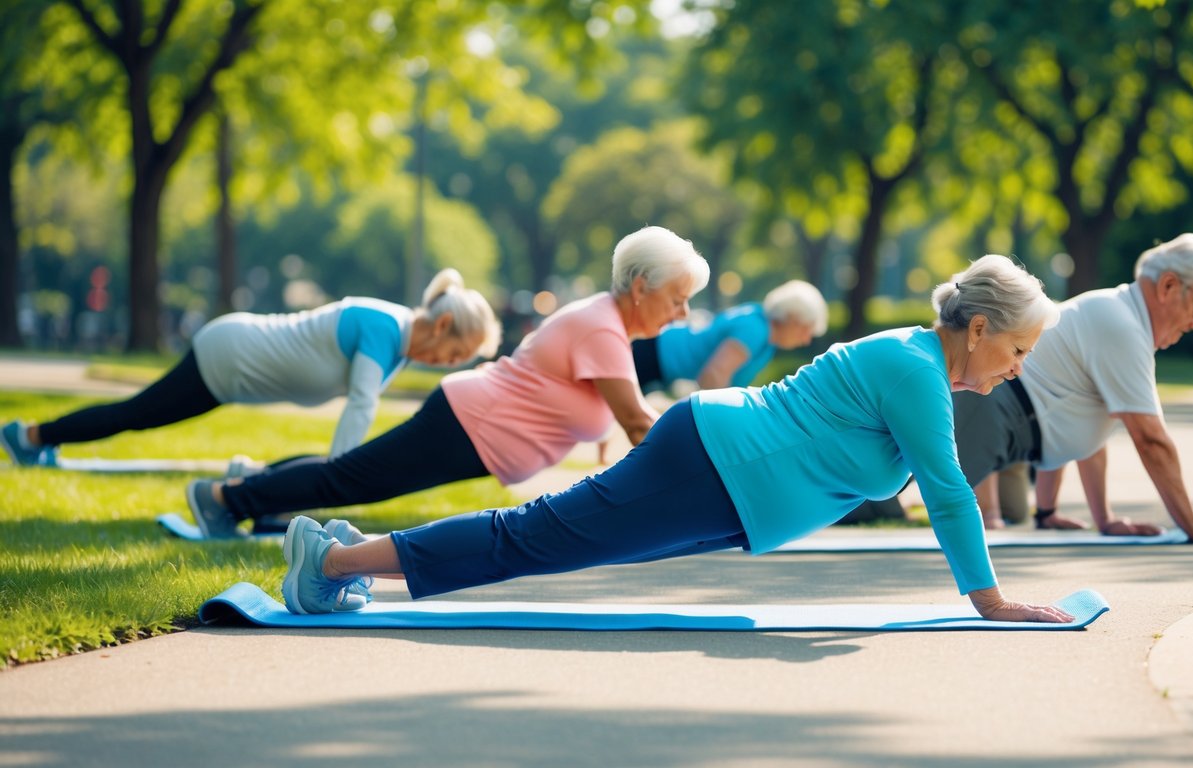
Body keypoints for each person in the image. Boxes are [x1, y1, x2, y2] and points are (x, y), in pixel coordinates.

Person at [276, 254, 1076, 627]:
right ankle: (334, 561)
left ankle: (347, 552)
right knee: (535, 539)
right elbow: (941, 488)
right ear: (976, 330)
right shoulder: (912, 369)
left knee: (547, 541)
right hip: (715, 465)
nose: (1015, 370)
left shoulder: (916, 365)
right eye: (1015, 352)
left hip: (726, 479)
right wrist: (989, 600)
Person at [185, 225, 712, 538]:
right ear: (642, 287)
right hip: (467, 424)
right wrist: (708, 464)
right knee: (346, 481)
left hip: (468, 424)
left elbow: (601, 399)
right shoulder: (602, 327)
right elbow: (641, 425)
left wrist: (599, 433)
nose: (683, 313)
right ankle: (224, 499)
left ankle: (243, 491)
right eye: (677, 299)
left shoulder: (604, 324)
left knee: (347, 477)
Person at [0, 268, 499, 468]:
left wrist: (339, 473)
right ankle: (30, 436)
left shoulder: (399, 347)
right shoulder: (384, 327)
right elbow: (361, 406)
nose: (448, 366)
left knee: (137, 413)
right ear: (443, 326)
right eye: (455, 356)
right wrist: (342, 479)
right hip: (230, 354)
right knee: (135, 414)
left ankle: (35, 439)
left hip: (234, 369)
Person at [945, 233, 1193, 544]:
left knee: (906, 467)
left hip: (1004, 419)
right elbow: (1151, 440)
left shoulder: (1117, 314)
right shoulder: (1123, 327)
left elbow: (1084, 423)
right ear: (1169, 286)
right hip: (989, 412)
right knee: (903, 472)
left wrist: (1068, 514)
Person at [632, 279, 829, 393]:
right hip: (650, 355)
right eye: (805, 330)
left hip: (659, 360)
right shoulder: (755, 330)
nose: (806, 340)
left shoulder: (765, 337)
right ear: (791, 317)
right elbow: (712, 376)